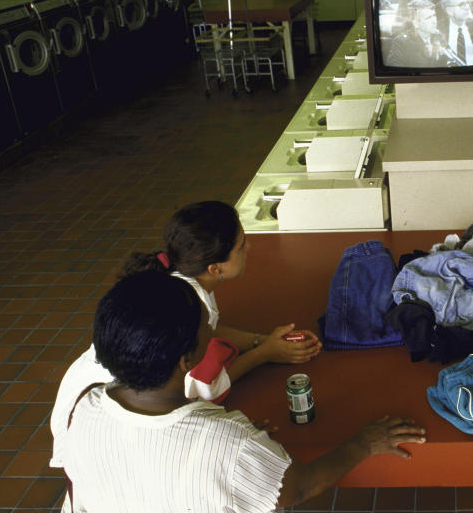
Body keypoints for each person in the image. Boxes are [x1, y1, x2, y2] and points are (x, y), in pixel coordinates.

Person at [57, 270, 425, 512]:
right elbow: (300, 488)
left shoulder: (84, 405)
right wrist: (365, 442)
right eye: (206, 329)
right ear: (189, 357)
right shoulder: (228, 442)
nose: (212, 332)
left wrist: (239, 448)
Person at [50, 201, 321, 468]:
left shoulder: (181, 284)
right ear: (216, 268)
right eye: (241, 245)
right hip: (96, 426)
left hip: (94, 393)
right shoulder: (189, 303)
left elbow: (210, 331)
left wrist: (261, 340)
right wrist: (265, 353)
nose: (248, 248)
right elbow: (206, 389)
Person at [385, 0, 447, 68]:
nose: (434, 21)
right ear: (416, 23)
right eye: (429, 18)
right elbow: (396, 71)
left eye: (434, 16)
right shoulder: (401, 43)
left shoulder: (439, 37)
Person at [439, 0, 473, 66]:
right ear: (449, 11)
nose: (467, 7)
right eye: (462, 4)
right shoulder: (439, 31)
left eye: (467, 2)